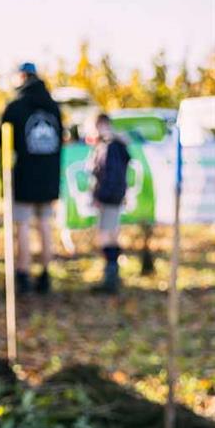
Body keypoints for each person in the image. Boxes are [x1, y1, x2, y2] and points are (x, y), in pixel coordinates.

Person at [0, 62, 63, 294]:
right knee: (45, 224)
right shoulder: (53, 106)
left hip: (25, 176)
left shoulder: (16, 106)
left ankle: (23, 274)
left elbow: (1, 140)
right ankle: (45, 273)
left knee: (23, 225)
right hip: (48, 177)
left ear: (22, 77)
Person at [88, 113, 130, 294]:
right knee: (111, 234)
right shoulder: (112, 146)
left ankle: (110, 278)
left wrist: (101, 196)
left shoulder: (110, 147)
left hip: (109, 197)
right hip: (113, 196)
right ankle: (112, 276)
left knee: (106, 235)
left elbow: (110, 175)